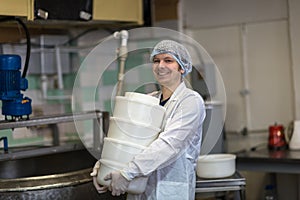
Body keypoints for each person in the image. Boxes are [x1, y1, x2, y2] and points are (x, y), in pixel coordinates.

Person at [90, 39, 206, 200]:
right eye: (156, 61)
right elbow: (124, 138)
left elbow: (169, 145)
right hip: (139, 189)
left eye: (168, 60)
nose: (161, 66)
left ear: (181, 67)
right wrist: (104, 167)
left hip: (169, 189)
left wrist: (127, 173)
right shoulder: (149, 99)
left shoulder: (190, 101)